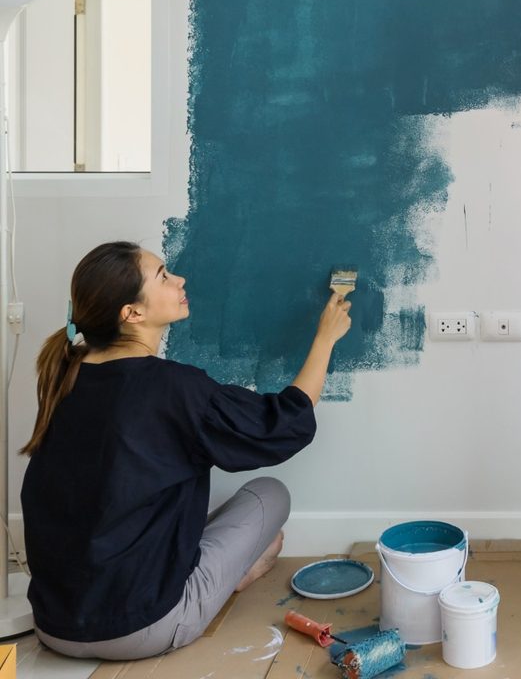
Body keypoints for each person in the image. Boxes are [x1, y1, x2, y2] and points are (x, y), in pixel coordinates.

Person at [20, 240, 351, 660]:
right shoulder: (173, 387)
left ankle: (228, 571)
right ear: (132, 313)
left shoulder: (64, 378)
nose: (180, 279)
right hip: (142, 628)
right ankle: (232, 577)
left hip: (53, 624)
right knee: (271, 493)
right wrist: (325, 338)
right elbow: (283, 424)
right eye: (162, 276)